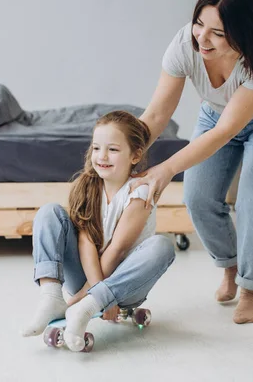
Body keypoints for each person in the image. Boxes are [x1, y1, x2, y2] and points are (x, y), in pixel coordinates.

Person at [130, 0, 253, 324]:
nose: (202, 38)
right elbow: (156, 115)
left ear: (240, 34)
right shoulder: (185, 44)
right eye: (199, 24)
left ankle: (251, 289)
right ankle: (230, 266)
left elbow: (226, 132)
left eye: (217, 33)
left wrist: (164, 169)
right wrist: (127, 155)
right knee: (198, 197)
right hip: (214, 114)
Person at [22, 111, 175, 351]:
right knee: (48, 212)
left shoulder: (139, 192)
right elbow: (86, 242)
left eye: (112, 150)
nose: (102, 156)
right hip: (89, 276)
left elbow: (117, 249)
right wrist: (89, 289)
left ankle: (85, 307)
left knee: (162, 246)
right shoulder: (88, 185)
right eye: (96, 148)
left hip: (123, 286)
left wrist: (86, 299)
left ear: (135, 155)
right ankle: (51, 296)